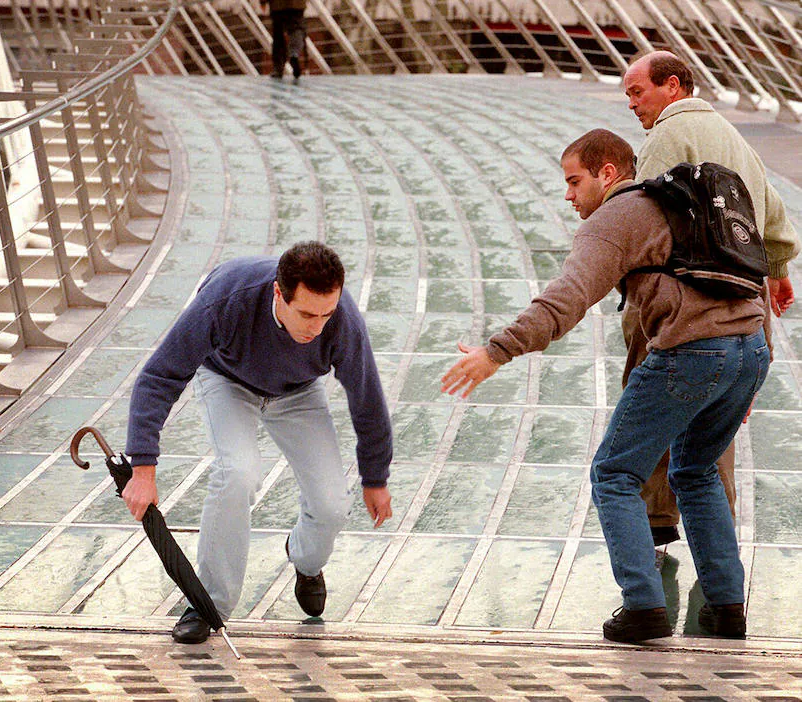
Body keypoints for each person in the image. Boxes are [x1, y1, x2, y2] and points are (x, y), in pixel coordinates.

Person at [441, 129, 769, 643]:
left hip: (692, 351)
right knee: (697, 469)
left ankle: (643, 608)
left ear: (608, 174)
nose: (569, 195)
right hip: (750, 347)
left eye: (574, 181)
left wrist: (496, 351)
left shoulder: (616, 217)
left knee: (614, 473)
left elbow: (566, 298)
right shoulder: (681, 204)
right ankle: (727, 609)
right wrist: (746, 375)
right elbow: (755, 270)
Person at [124, 241, 393, 643]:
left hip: (298, 393)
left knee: (333, 505)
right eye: (306, 314)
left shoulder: (341, 320)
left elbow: (367, 399)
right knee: (237, 472)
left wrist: (375, 478)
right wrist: (143, 469)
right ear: (278, 294)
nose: (317, 327)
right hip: (228, 381)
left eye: (326, 314)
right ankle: (208, 602)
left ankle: (304, 560)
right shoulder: (226, 300)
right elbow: (159, 377)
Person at [623, 50, 800, 548]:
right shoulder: (733, 136)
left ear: (673, 86)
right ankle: (718, 548)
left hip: (686, 302)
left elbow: (644, 220)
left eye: (638, 91)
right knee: (716, 427)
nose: (632, 104)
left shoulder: (665, 137)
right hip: (749, 300)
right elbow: (775, 216)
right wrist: (779, 273)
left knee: (651, 403)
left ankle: (656, 521)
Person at [264, 0, 306, 80]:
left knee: (278, 34)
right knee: (296, 29)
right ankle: (294, 53)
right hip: (297, 4)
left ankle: (278, 68)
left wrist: (262, 1)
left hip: (277, 5)